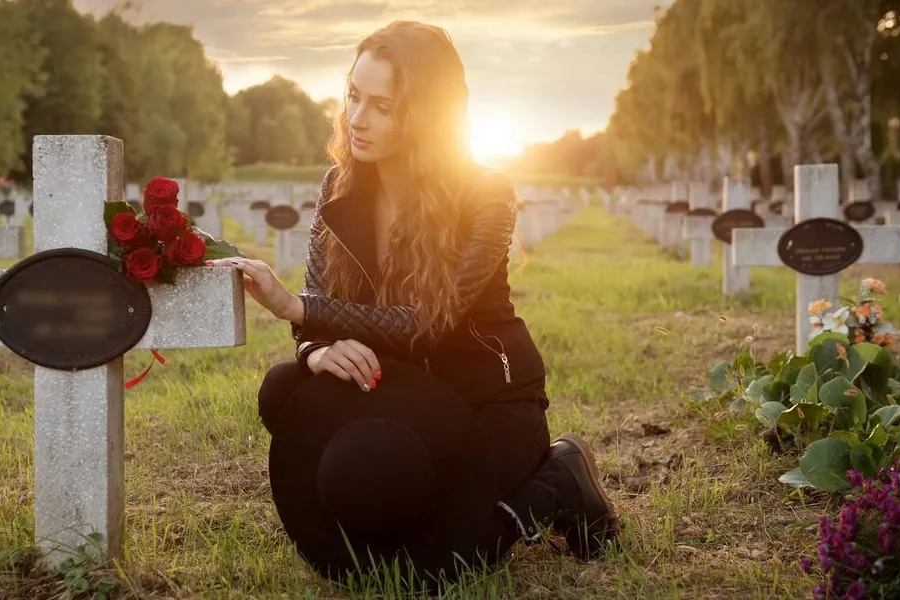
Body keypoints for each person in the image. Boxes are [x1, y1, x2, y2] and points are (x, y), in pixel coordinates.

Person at [208, 19, 619, 578]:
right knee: (285, 387)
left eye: (383, 105)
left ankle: (559, 480)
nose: (357, 119)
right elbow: (317, 297)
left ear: (426, 114)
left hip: (484, 400)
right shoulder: (339, 184)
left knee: (446, 557)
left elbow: (428, 321)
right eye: (354, 96)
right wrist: (315, 351)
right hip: (396, 393)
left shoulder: (486, 194)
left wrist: (297, 311)